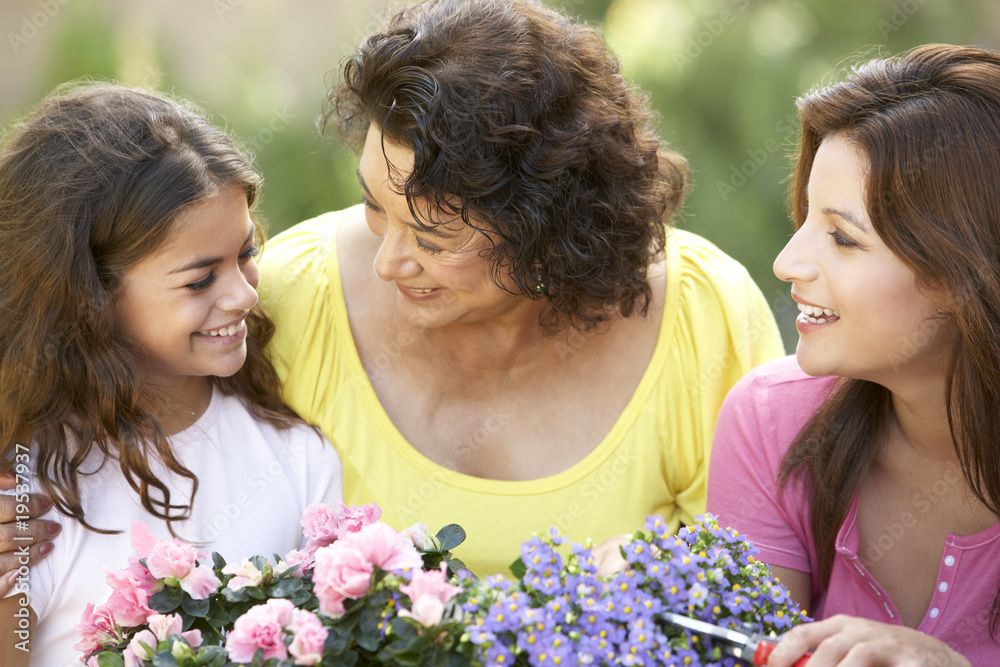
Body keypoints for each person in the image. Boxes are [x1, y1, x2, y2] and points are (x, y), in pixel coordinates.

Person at [253, 0, 784, 576]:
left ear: (548, 231)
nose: (387, 263)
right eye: (373, 205)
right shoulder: (292, 295)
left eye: (432, 238)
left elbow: (758, 593)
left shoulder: (702, 315)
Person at [0, 83, 343, 667]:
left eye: (246, 251)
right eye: (200, 279)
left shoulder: (298, 458)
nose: (242, 294)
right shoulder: (28, 488)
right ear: (90, 294)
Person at [707, 44, 1000, 666]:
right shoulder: (771, 422)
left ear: (969, 270)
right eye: (806, 217)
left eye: (843, 237)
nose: (788, 263)